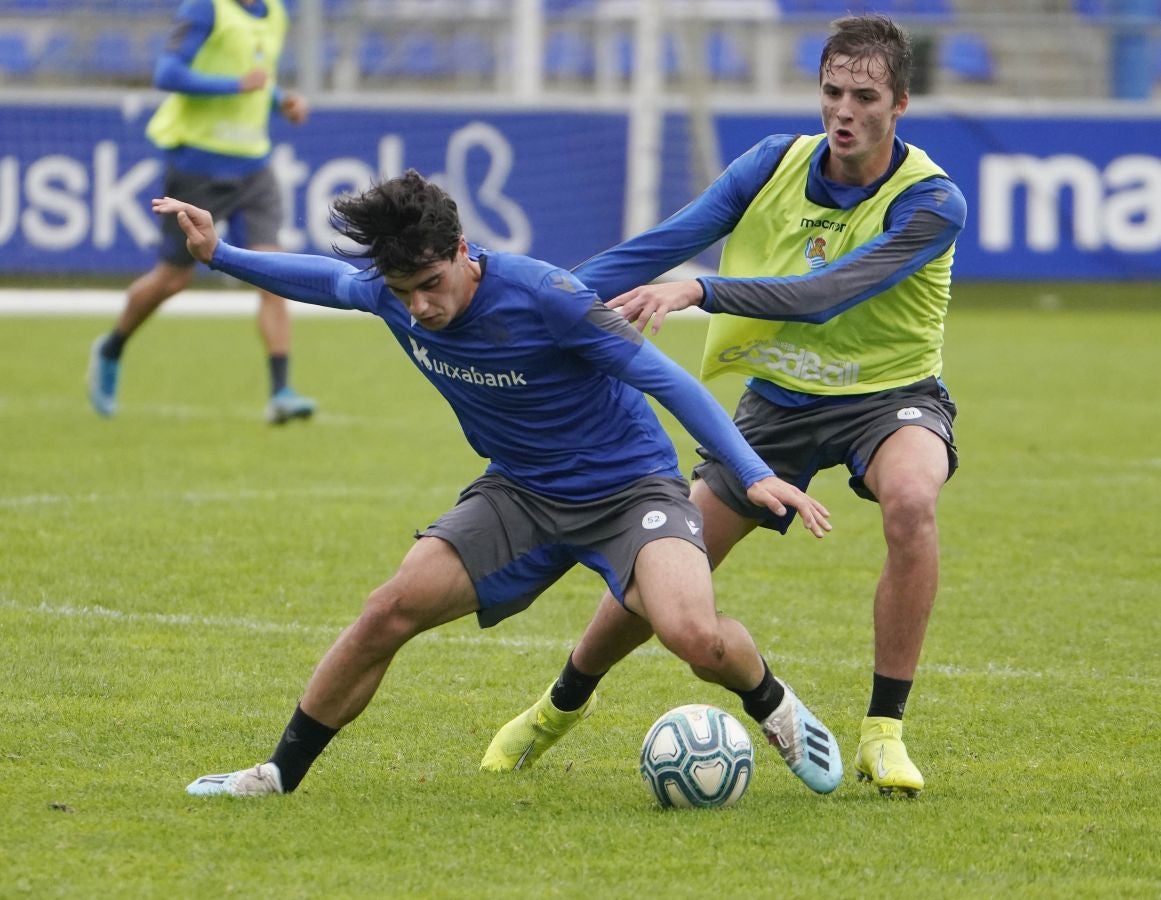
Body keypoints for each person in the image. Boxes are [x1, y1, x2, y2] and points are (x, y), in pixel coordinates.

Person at [167, 169, 845, 798]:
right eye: (403, 292)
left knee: (695, 637)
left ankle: (772, 704)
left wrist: (752, 473)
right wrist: (221, 253)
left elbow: (666, 379)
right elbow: (324, 280)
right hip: (519, 493)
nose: (419, 307)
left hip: (629, 490)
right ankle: (278, 773)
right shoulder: (394, 295)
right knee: (387, 611)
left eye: (431, 283)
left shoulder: (548, 297)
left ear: (463, 251)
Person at [482, 13, 966, 799]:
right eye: (832, 91)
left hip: (890, 397)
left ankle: (884, 732)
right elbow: (657, 247)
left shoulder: (931, 203)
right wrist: (536, 301)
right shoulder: (771, 164)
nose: (844, 111)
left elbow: (824, 293)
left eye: (865, 97)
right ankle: (557, 705)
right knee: (666, 571)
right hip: (776, 405)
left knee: (911, 500)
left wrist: (699, 288)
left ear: (900, 105)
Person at [87, 0, 316, 425]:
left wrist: (281, 100)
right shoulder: (207, 8)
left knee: (272, 270)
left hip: (254, 165)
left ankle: (281, 390)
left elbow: (257, 79)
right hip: (198, 166)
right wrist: (235, 85)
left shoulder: (276, 13)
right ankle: (112, 347)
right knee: (174, 278)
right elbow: (167, 73)